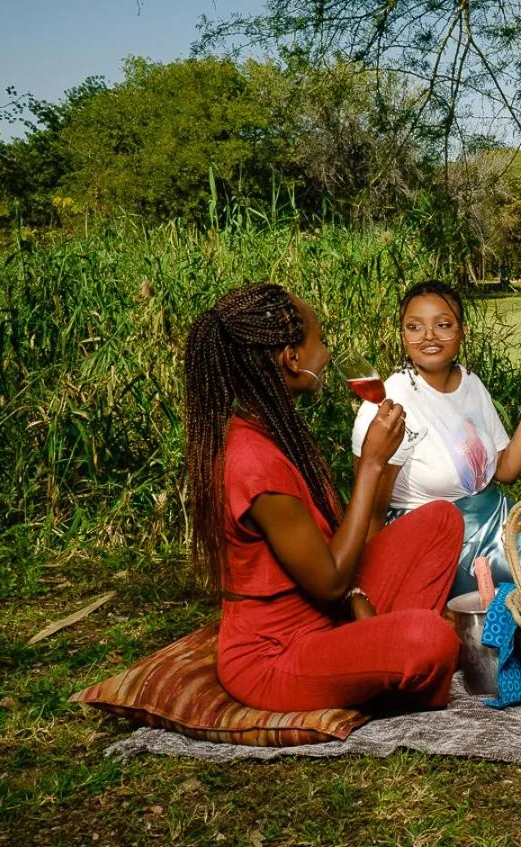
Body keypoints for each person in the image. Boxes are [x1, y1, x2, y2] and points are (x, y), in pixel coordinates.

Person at [185, 283, 465, 713]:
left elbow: (330, 560)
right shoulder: (254, 463)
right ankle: (386, 663)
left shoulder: (271, 427)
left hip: (325, 616)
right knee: (432, 637)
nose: (328, 353)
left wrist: (356, 598)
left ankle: (376, 655)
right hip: (276, 657)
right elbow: (330, 579)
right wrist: (371, 465)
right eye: (322, 341)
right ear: (292, 358)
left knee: (441, 520)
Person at [350, 280, 521, 596]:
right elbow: (371, 513)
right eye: (414, 327)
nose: (429, 337)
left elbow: (505, 470)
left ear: (463, 330)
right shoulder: (388, 402)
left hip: (498, 518)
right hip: (439, 540)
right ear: (403, 335)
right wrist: (363, 591)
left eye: (443, 325)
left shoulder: (471, 383)